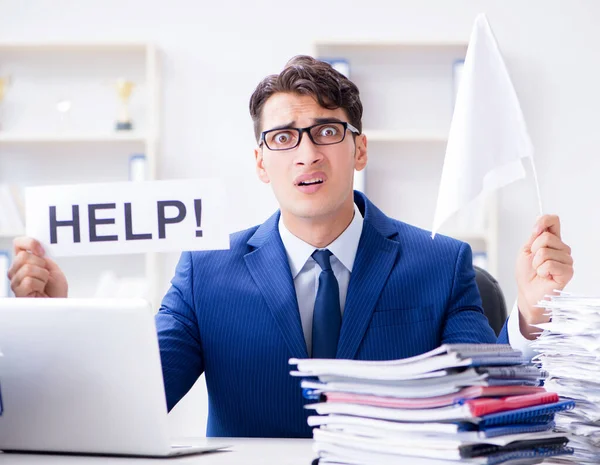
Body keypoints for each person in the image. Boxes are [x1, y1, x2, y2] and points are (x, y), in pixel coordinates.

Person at [8, 56, 574, 438]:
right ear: (261, 161)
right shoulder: (206, 272)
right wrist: (59, 320)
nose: (306, 154)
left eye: (327, 131)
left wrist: (532, 318)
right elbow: (130, 403)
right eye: (283, 138)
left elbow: (492, 409)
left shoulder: (441, 263)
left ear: (360, 149)